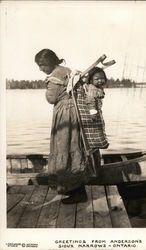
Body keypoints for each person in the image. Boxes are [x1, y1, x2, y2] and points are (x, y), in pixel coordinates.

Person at [35, 49, 97, 204]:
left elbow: (51, 98)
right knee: (73, 147)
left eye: (42, 65)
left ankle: (78, 193)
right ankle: (76, 189)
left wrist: (46, 88)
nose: (40, 69)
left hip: (65, 115)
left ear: (49, 62)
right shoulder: (66, 70)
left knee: (65, 148)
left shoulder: (55, 75)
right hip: (74, 112)